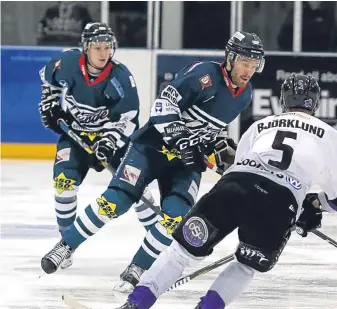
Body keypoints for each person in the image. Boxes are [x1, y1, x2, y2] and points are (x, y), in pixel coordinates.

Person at [106, 73, 337, 309]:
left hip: (233, 185)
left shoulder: (260, 126)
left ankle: (132, 306)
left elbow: (239, 165)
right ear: (315, 103)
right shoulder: (332, 136)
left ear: (283, 101)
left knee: (181, 252)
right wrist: (314, 205)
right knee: (246, 265)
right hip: (279, 201)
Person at [40, 31, 266, 293]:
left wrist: (215, 147)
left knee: (175, 216)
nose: (248, 70)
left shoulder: (245, 94)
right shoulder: (204, 74)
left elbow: (210, 130)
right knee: (115, 201)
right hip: (152, 147)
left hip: (184, 162)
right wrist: (180, 138)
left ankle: (138, 267)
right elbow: (162, 105)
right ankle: (65, 245)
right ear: (231, 57)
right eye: (244, 63)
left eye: (253, 65)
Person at [38, 22, 140, 270]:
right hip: (75, 135)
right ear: (85, 48)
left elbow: (129, 118)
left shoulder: (121, 77)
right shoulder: (66, 64)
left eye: (107, 47)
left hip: (110, 136)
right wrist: (50, 102)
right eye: (97, 47)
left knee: (138, 187)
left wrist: (107, 142)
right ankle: (66, 245)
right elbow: (46, 78)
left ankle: (159, 242)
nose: (103, 53)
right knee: (63, 184)